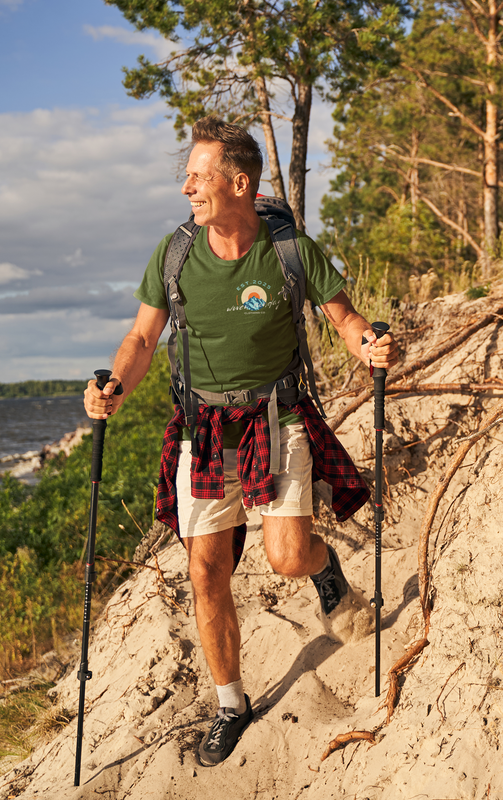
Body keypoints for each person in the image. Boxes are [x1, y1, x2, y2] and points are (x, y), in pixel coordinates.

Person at [84, 116, 399, 768]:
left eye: (197, 177)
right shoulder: (174, 254)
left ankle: (326, 573)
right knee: (206, 573)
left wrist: (370, 346)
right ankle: (231, 702)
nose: (186, 189)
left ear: (238, 183)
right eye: (187, 176)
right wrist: (113, 384)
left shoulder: (288, 250)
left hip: (276, 418)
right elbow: (141, 340)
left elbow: (344, 319)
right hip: (201, 430)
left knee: (287, 557)